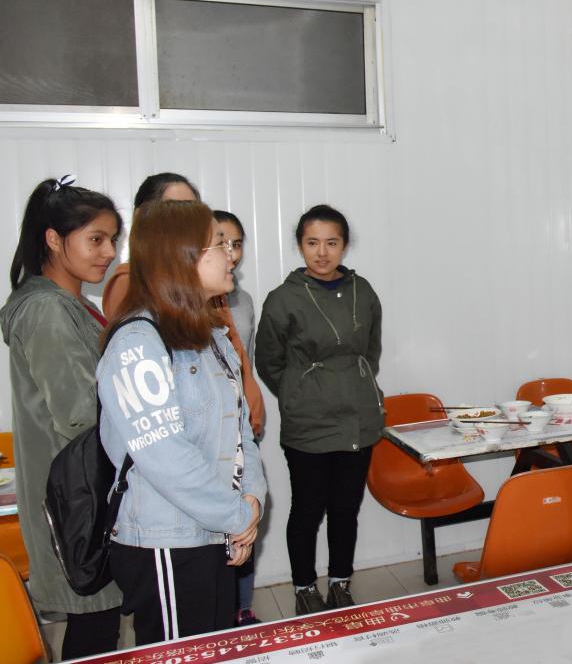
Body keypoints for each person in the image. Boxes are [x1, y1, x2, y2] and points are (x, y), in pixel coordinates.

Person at [98, 200, 266, 644]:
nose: (231, 256)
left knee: (214, 647)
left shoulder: (209, 335)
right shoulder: (138, 342)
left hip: (214, 530)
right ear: (182, 257)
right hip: (166, 539)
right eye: (219, 245)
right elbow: (165, 456)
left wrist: (251, 502)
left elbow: (240, 434)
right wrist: (236, 515)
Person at [0, 176, 123, 659]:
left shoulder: (72, 304)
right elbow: (79, 415)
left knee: (99, 622)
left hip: (85, 488)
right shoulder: (47, 310)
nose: (109, 252)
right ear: (53, 239)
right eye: (96, 239)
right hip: (76, 495)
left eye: (113, 239)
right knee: (95, 624)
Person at [255, 204, 383, 614]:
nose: (322, 253)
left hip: (357, 420)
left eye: (332, 243)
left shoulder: (364, 292)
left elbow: (371, 352)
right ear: (300, 246)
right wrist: (301, 391)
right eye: (313, 243)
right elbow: (269, 361)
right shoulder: (283, 299)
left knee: (346, 509)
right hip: (307, 423)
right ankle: (304, 587)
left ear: (344, 246)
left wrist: (352, 385)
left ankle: (341, 582)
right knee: (308, 510)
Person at [213, 209, 265, 627]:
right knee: (219, 527)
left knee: (247, 516)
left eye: (237, 243)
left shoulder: (243, 300)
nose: (231, 251)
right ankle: (220, 610)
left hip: (245, 423)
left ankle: (243, 607)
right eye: (222, 242)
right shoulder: (194, 302)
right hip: (215, 435)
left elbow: (248, 364)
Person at [102, 172, 200, 319]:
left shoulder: (200, 274)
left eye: (193, 209)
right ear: (141, 215)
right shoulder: (128, 282)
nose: (185, 219)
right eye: (174, 208)